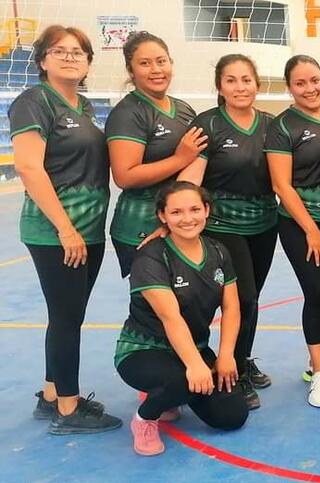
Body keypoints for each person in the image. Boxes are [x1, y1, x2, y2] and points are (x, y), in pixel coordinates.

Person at [12, 25, 121, 435]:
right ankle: (70, 410)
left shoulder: (85, 106)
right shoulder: (34, 101)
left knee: (66, 315)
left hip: (87, 230)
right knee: (67, 317)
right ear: (42, 60)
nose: (71, 57)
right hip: (56, 232)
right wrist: (65, 229)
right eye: (60, 51)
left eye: (79, 52)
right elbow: (27, 166)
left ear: (89, 61)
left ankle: (52, 394)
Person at [116, 181, 249, 456]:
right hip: (145, 351)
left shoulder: (219, 251)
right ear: (162, 216)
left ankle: (172, 394)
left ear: (206, 210)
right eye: (176, 212)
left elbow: (232, 307)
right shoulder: (150, 257)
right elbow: (170, 317)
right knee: (182, 381)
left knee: (232, 416)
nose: (188, 218)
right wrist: (194, 365)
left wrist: (225, 356)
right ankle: (146, 417)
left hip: (195, 347)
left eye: (194, 209)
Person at [179, 54, 277, 409]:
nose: (240, 87)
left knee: (252, 301)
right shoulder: (208, 124)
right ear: (220, 86)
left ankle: (242, 359)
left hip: (265, 223)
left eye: (246, 79)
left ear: (257, 84)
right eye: (232, 80)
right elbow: (190, 179)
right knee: (243, 299)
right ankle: (230, 372)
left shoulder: (271, 124)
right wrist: (175, 220)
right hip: (224, 226)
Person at [264, 55, 320, 408]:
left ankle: (316, 359)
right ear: (289, 87)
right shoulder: (283, 127)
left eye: (314, 80)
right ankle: (318, 374)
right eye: (300, 83)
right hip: (301, 224)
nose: (309, 88)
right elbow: (281, 185)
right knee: (317, 293)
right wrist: (312, 230)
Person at [106, 31, 203, 277]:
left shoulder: (182, 108)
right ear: (131, 70)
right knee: (152, 309)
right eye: (144, 63)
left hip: (178, 222)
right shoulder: (128, 113)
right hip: (141, 225)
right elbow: (124, 176)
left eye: (161, 61)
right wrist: (179, 159)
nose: (156, 70)